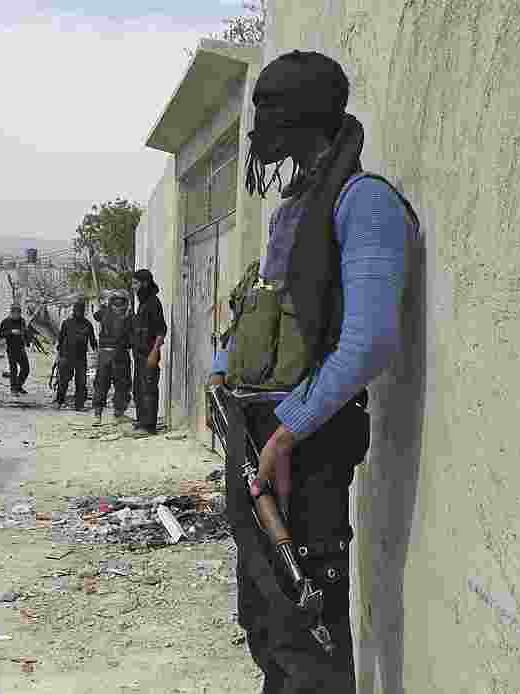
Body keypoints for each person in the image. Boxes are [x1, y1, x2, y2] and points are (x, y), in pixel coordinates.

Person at [209, 50, 419, 693]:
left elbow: (367, 343)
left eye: (273, 113)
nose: (262, 133)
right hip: (257, 432)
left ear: (306, 118)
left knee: (308, 623)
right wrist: (220, 374)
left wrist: (286, 431)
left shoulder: (364, 203)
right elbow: (262, 304)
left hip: (306, 443)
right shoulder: (295, 207)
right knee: (264, 614)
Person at [130, 269, 166, 436]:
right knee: (138, 389)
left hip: (149, 354)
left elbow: (161, 331)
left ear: (144, 283)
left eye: (136, 283)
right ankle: (142, 421)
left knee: (149, 390)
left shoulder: (153, 303)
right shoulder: (143, 303)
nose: (133, 287)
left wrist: (154, 353)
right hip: (139, 355)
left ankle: (149, 426)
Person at [91, 291, 133, 424]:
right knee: (121, 384)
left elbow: (96, 316)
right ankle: (118, 414)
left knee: (101, 383)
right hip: (119, 353)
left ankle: (98, 415)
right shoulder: (128, 316)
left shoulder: (105, 311)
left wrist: (103, 306)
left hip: (104, 353)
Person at [54, 300, 98, 411]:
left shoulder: (88, 324)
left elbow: (93, 341)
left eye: (81, 310)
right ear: (73, 310)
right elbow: (60, 340)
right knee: (63, 381)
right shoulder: (67, 323)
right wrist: (58, 356)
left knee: (81, 382)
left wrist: (97, 354)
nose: (78, 312)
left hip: (81, 358)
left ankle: (79, 405)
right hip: (66, 356)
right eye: (77, 310)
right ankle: (59, 402)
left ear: (84, 311)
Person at [0, 305, 31, 394]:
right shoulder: (6, 322)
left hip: (21, 348)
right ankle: (13, 389)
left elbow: (25, 332)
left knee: (26, 369)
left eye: (18, 314)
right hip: (11, 349)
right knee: (14, 370)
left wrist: (27, 341)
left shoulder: (22, 321)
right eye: (15, 313)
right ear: (11, 313)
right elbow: (0, 334)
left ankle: (18, 386)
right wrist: (11, 332)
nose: (17, 315)